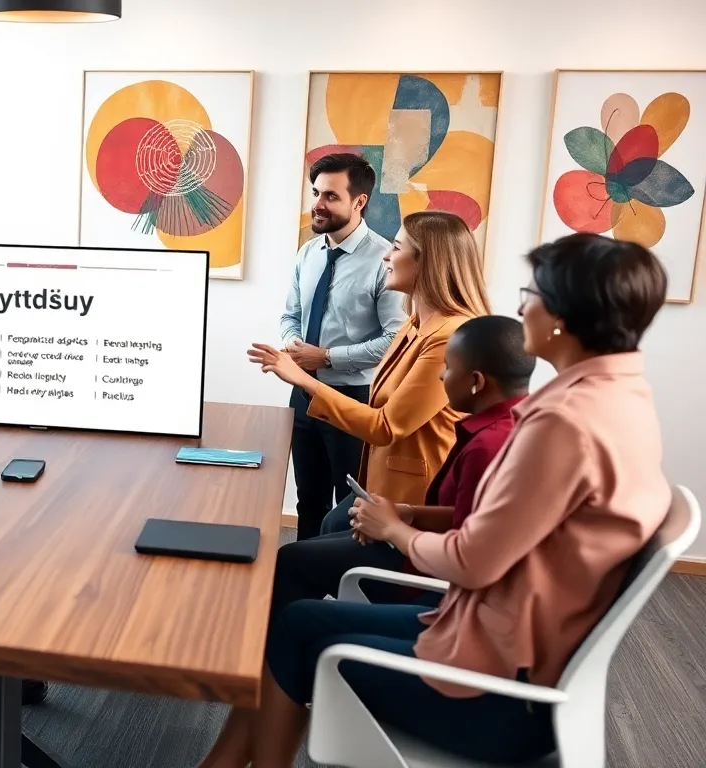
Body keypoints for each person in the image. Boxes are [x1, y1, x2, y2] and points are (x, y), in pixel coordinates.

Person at [198, 233, 671, 768]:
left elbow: (474, 561)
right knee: (300, 621)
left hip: (496, 691)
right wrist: (412, 515)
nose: (520, 307)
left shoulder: (564, 423)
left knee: (298, 628)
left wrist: (396, 531)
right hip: (510, 643)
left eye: (531, 293)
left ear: (564, 313)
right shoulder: (621, 397)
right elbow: (512, 525)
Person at [268, 315, 534, 616]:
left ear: (476, 382)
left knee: (294, 580)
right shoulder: (506, 425)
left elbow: (467, 556)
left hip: (435, 591)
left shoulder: (487, 446)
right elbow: (468, 518)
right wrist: (408, 513)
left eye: (448, 369)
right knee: (328, 528)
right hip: (423, 542)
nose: (440, 378)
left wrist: (393, 529)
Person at [252, 209, 491, 536]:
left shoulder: (449, 336)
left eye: (396, 248)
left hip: (413, 503)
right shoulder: (415, 323)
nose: (386, 257)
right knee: (321, 521)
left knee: (297, 557)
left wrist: (302, 375)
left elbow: (386, 425)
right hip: (380, 483)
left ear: (426, 262)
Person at [278, 153, 408, 540]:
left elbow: (395, 341)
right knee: (308, 499)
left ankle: (339, 587)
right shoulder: (308, 252)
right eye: (316, 193)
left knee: (346, 506)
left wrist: (328, 357)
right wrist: (292, 345)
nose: (317, 204)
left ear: (359, 202)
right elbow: (290, 315)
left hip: (355, 399)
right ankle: (300, 580)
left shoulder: (385, 260)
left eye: (330, 196)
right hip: (303, 393)